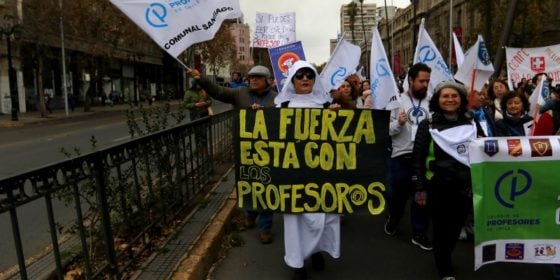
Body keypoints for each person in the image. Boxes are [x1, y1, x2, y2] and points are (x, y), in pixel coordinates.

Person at [186, 65, 276, 244]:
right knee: (248, 184)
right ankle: (250, 215)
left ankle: (265, 227)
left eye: (258, 77)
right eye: (251, 77)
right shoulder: (240, 94)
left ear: (268, 80)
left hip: (269, 151)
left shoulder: (277, 98)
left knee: (267, 187)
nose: (253, 80)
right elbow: (218, 91)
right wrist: (200, 78)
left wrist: (265, 113)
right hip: (245, 149)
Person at [274, 60, 337, 280]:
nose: (304, 79)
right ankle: (297, 263)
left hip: (320, 172)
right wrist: (256, 115)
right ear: (292, 79)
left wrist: (339, 116)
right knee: (294, 219)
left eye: (309, 75)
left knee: (322, 216)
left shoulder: (326, 106)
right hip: (292, 174)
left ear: (314, 79)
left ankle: (317, 251)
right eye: (299, 75)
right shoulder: (281, 108)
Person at [412, 80, 479, 280]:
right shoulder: (428, 125)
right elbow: (418, 158)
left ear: (461, 99)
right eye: (445, 96)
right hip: (436, 186)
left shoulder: (472, 124)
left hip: (464, 187)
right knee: (441, 230)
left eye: (454, 96)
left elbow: (484, 151)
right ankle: (444, 268)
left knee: (456, 229)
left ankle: (445, 254)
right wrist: (419, 188)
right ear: (437, 100)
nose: (450, 99)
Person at [385, 62, 433, 251]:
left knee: (421, 197)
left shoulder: (432, 102)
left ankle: (419, 233)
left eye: (428, 81)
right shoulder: (395, 101)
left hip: (422, 160)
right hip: (401, 158)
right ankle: (394, 218)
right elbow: (384, 131)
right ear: (411, 80)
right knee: (398, 197)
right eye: (421, 81)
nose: (425, 85)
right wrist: (398, 123)